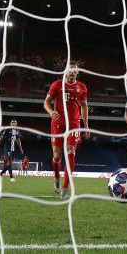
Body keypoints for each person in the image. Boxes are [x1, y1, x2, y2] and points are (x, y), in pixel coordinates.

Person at [44, 61, 89, 199]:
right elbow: (46, 102)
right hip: (58, 124)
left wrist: (86, 126)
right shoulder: (57, 84)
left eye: (74, 70)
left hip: (74, 124)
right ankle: (57, 177)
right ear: (66, 72)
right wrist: (51, 112)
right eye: (70, 70)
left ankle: (65, 186)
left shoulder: (82, 87)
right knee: (57, 156)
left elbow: (84, 106)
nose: (72, 72)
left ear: (77, 72)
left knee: (70, 152)